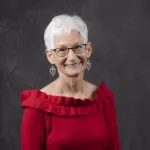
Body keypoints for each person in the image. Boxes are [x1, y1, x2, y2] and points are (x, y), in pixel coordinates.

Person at [20, 14, 121, 150]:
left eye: (78, 47)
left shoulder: (103, 101)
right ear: (50, 56)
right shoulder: (36, 108)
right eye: (62, 50)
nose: (72, 57)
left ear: (88, 50)